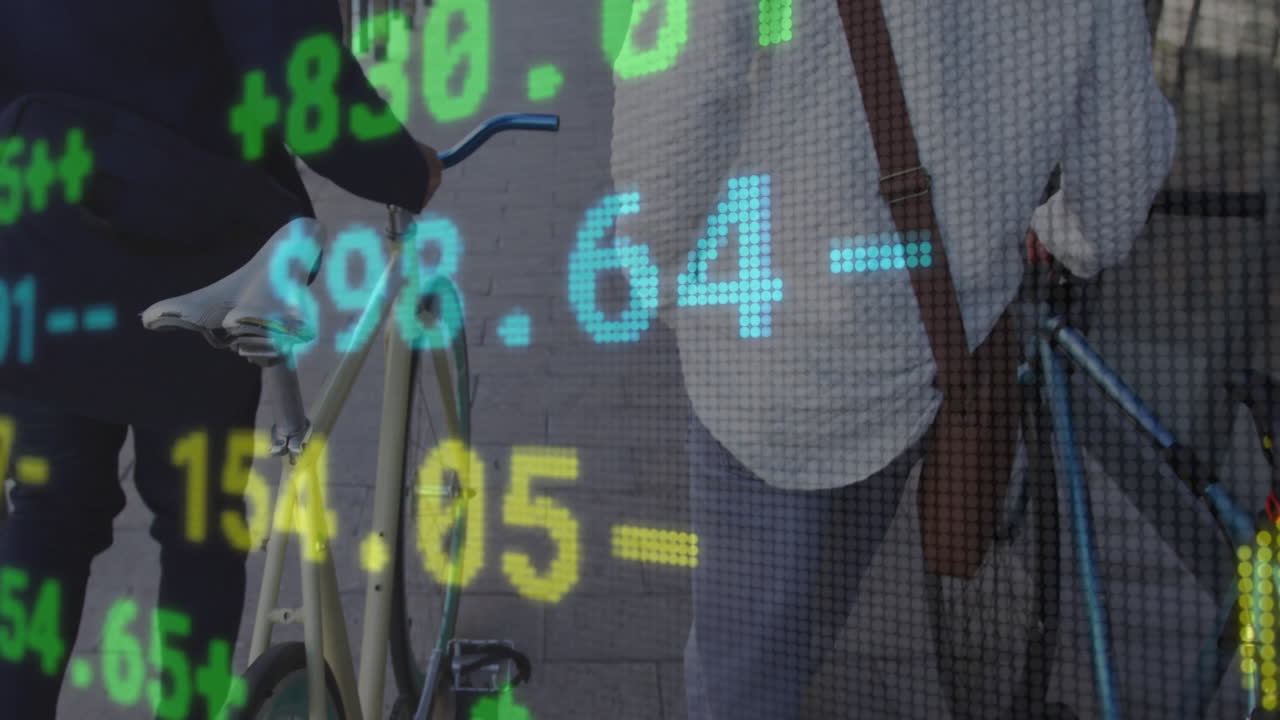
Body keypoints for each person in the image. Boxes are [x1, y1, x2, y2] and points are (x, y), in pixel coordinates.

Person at [609, 0, 1176, 718]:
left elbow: (673, 98)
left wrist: (659, 272)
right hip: (929, 348)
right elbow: (1123, 154)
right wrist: (1068, 235)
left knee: (743, 662)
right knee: (815, 603)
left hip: (765, 356)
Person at [0, 2, 441, 717]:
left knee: (47, 514)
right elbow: (305, 87)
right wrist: (403, 171)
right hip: (190, 249)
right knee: (198, 524)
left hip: (43, 252)